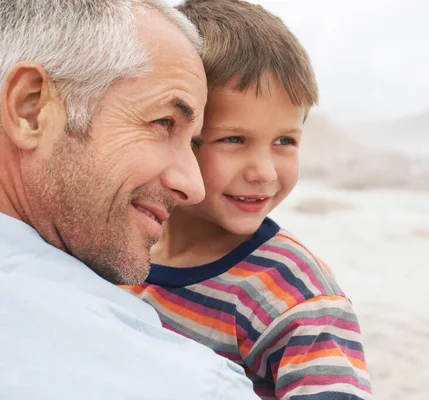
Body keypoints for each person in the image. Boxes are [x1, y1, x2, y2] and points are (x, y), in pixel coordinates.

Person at [0, 1, 258, 398]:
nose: (194, 186)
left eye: (193, 143)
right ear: (30, 109)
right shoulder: (185, 385)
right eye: (163, 122)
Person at [122, 1, 372, 399]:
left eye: (285, 141)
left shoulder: (296, 295)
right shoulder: (118, 245)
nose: (265, 172)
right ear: (172, 131)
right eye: (234, 139)